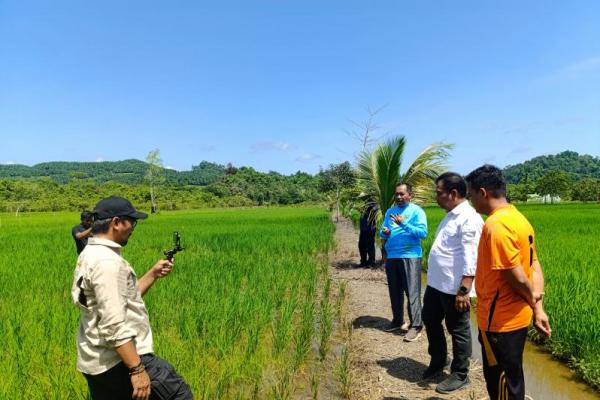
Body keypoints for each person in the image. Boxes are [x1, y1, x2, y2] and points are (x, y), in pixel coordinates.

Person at [71, 196, 193, 400]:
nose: (133, 227)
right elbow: (113, 324)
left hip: (95, 360)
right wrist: (137, 370)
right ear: (116, 222)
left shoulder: (89, 254)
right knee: (180, 395)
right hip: (119, 359)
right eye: (132, 221)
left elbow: (119, 300)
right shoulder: (108, 263)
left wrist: (153, 274)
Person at [466, 165, 551, 400]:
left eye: (471, 195)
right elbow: (534, 264)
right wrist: (538, 307)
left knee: (503, 385)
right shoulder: (518, 218)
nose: (471, 202)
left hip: (500, 323)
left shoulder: (496, 226)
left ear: (482, 192)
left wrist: (535, 305)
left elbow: (516, 276)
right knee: (513, 378)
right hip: (516, 317)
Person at [422, 172, 484, 393]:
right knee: (429, 318)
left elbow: (472, 256)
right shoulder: (451, 214)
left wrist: (463, 290)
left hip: (454, 287)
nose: (436, 196)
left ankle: (460, 374)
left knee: (458, 329)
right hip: (437, 283)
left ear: (453, 193)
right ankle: (439, 360)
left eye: (439, 192)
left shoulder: (469, 218)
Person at [380, 183, 428, 341]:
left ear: (410, 195)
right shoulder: (390, 211)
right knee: (394, 290)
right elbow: (383, 231)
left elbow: (423, 233)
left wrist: (403, 224)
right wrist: (385, 232)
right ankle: (397, 320)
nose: (399, 197)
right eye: (397, 195)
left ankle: (416, 326)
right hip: (392, 255)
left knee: (412, 292)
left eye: (402, 194)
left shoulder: (416, 211)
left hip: (410, 255)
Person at [358, 200, 378, 268]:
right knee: (361, 245)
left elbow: (375, 209)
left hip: (369, 229)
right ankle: (363, 262)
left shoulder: (374, 203)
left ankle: (371, 262)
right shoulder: (366, 202)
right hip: (363, 228)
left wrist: (368, 209)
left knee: (370, 245)